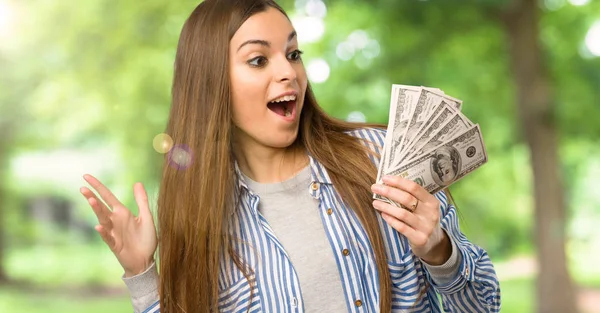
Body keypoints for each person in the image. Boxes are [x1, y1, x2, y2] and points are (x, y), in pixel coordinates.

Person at [79, 0, 501, 312]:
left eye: (293, 53)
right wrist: (141, 275)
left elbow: (485, 305)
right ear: (211, 84)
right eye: (259, 59)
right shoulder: (201, 216)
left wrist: (441, 252)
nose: (289, 72)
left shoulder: (379, 158)